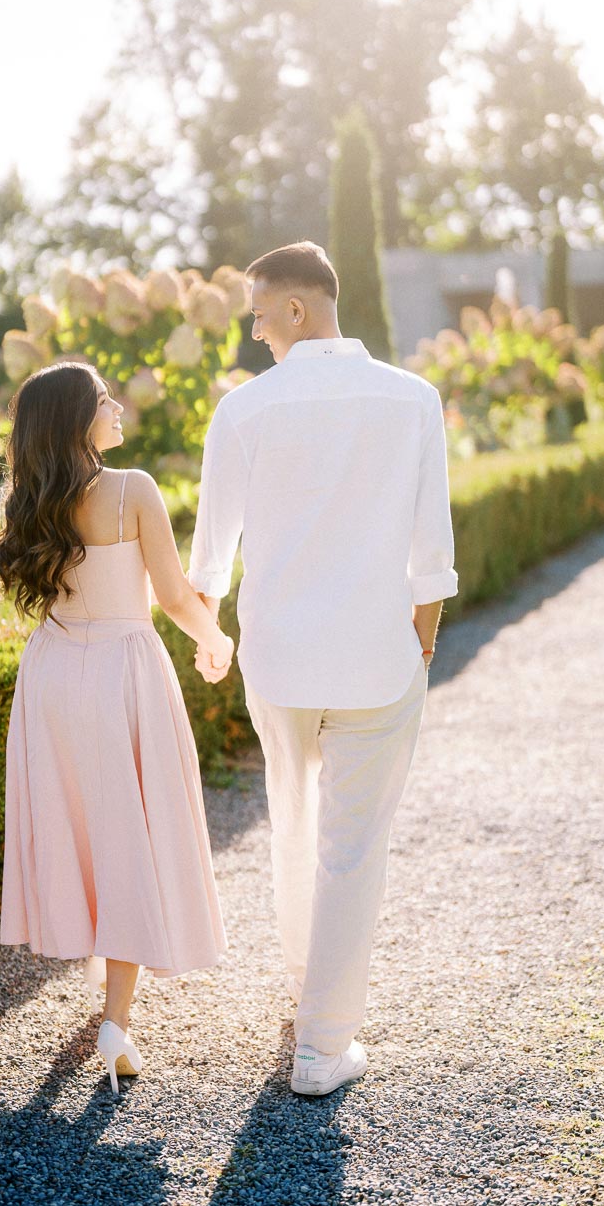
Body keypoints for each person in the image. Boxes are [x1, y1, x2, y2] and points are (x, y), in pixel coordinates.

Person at [188, 241, 458, 1096]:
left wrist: (213, 633)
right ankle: (321, 1046)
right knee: (352, 847)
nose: (256, 335)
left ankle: (307, 994)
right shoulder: (413, 399)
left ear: (298, 310)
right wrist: (423, 642)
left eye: (261, 316)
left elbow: (210, 560)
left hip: (279, 660)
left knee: (295, 821)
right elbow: (433, 548)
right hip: (380, 655)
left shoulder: (244, 410)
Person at [0, 361, 232, 1094]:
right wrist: (216, 641)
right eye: (103, 401)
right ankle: (115, 1022)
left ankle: (102, 983)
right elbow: (176, 596)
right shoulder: (133, 490)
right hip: (123, 671)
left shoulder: (32, 504)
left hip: (54, 675)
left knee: (82, 827)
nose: (117, 407)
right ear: (75, 421)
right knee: (132, 834)